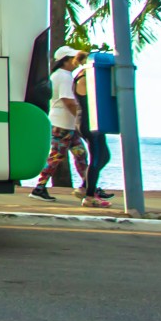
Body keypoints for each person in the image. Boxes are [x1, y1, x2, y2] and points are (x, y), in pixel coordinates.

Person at [29, 45, 91, 204]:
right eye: (73, 59)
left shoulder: (59, 75)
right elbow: (68, 102)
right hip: (62, 125)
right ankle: (39, 188)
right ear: (65, 61)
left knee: (80, 155)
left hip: (66, 125)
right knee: (56, 157)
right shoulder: (64, 76)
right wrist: (82, 119)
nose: (76, 62)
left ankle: (89, 187)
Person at [74, 58, 115, 207]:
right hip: (89, 123)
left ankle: (84, 186)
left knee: (105, 156)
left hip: (92, 121)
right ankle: (90, 197)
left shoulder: (85, 76)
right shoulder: (85, 77)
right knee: (96, 159)